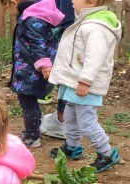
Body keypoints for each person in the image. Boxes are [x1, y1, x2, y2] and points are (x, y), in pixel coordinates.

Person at [48, 0, 122, 172]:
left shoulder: (96, 26)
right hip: (75, 81)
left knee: (86, 122)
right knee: (70, 115)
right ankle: (72, 146)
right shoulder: (86, 21)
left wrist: (85, 80)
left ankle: (106, 153)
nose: (72, 1)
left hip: (84, 84)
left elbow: (95, 56)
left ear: (91, 2)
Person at [3, 0, 64, 149]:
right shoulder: (36, 17)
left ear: (13, 2)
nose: (5, 10)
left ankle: (32, 136)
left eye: (5, 5)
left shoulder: (31, 20)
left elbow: (38, 44)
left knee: (27, 102)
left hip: (30, 72)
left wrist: (44, 66)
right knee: (30, 102)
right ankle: (33, 129)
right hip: (29, 70)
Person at [40, 0, 76, 138]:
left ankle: (63, 119)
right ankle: (65, 117)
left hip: (67, 25)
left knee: (67, 63)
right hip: (67, 22)